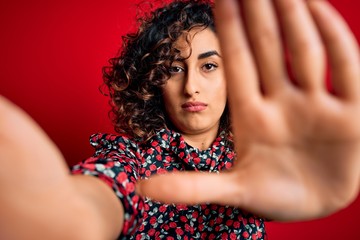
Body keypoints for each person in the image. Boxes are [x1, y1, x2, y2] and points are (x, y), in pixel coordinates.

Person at [0, 0, 359, 239]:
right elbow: (107, 188)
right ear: (154, 81)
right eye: (174, 68)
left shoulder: (257, 163)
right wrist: (74, 214)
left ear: (234, 77)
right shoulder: (133, 162)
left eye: (209, 66)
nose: (191, 87)